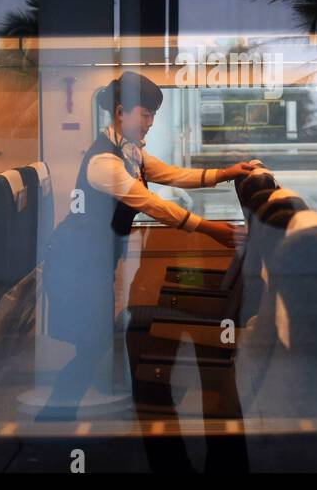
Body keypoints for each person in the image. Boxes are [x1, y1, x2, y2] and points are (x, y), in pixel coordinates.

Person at [40, 71, 255, 419]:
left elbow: (173, 174)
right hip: (75, 264)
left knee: (93, 343)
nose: (150, 123)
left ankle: (57, 417)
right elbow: (151, 204)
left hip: (93, 262)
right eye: (145, 114)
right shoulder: (103, 161)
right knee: (92, 343)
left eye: (153, 115)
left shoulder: (130, 153)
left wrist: (227, 173)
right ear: (122, 111)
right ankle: (52, 419)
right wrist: (209, 228)